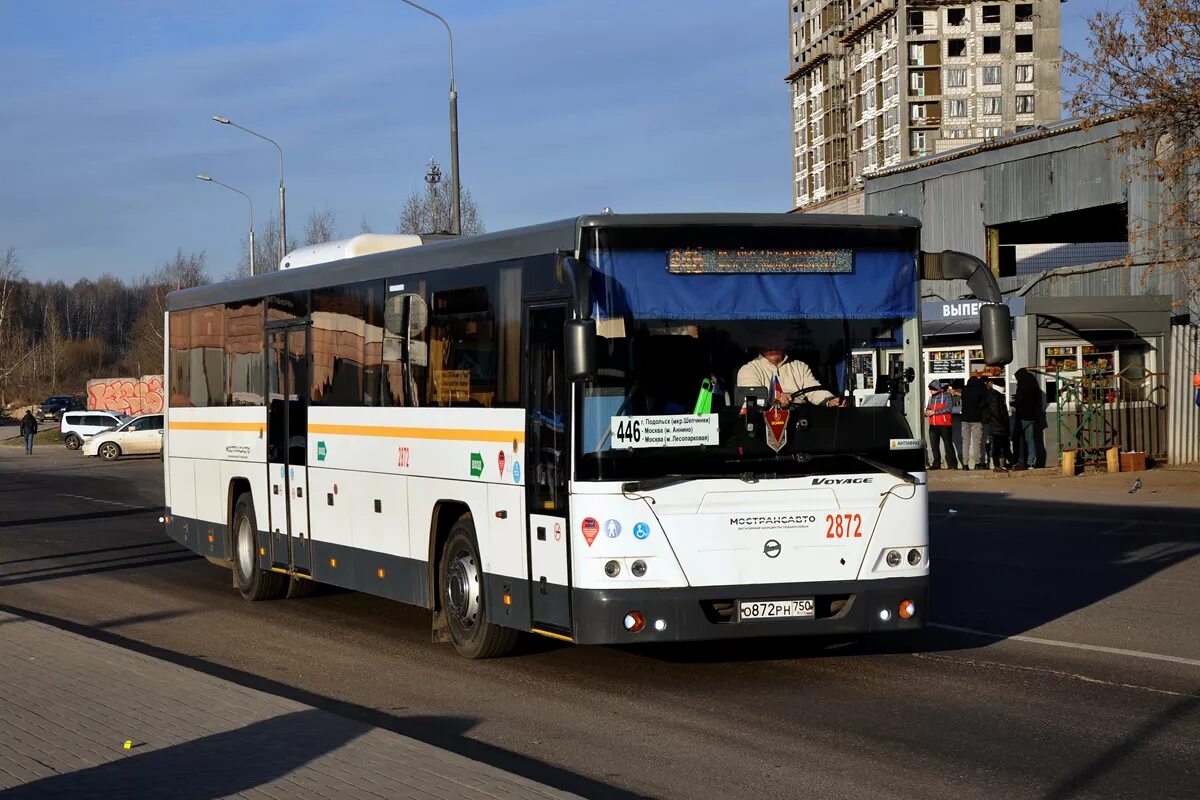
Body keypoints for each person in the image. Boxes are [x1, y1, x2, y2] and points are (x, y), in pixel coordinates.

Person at [737, 345, 846, 408]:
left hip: (800, 419)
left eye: (776, 342)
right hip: (765, 424)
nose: (772, 347)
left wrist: (831, 400)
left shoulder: (799, 366)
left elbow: (814, 390)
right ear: (760, 345)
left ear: (783, 344)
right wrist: (774, 400)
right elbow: (753, 400)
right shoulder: (748, 370)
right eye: (768, 343)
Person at [1013, 368, 1042, 471]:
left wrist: (1013, 403)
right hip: (1032, 416)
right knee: (1030, 440)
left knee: (1019, 439)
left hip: (1022, 416)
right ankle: (1031, 463)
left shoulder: (1022, 385)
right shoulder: (1033, 383)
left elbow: (1020, 400)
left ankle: (1020, 462)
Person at [925, 380, 957, 469]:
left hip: (944, 424)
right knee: (934, 446)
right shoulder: (931, 398)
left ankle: (952, 464)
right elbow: (928, 407)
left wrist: (934, 412)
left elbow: (948, 409)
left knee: (948, 445)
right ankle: (936, 464)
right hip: (933, 424)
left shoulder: (947, 396)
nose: (930, 391)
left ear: (937, 389)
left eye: (931, 389)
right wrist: (927, 412)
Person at [981, 377, 1010, 472]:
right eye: (1004, 386)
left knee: (1004, 445)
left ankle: (1013, 463)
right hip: (998, 425)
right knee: (998, 446)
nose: (1005, 388)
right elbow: (996, 411)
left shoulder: (996, 394)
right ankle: (997, 465)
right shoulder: (995, 395)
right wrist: (1003, 421)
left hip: (998, 425)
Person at [960, 374, 988, 470]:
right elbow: (985, 401)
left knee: (965, 442)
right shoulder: (979, 390)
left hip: (964, 419)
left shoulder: (964, 390)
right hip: (976, 419)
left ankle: (965, 464)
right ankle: (977, 463)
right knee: (977, 442)